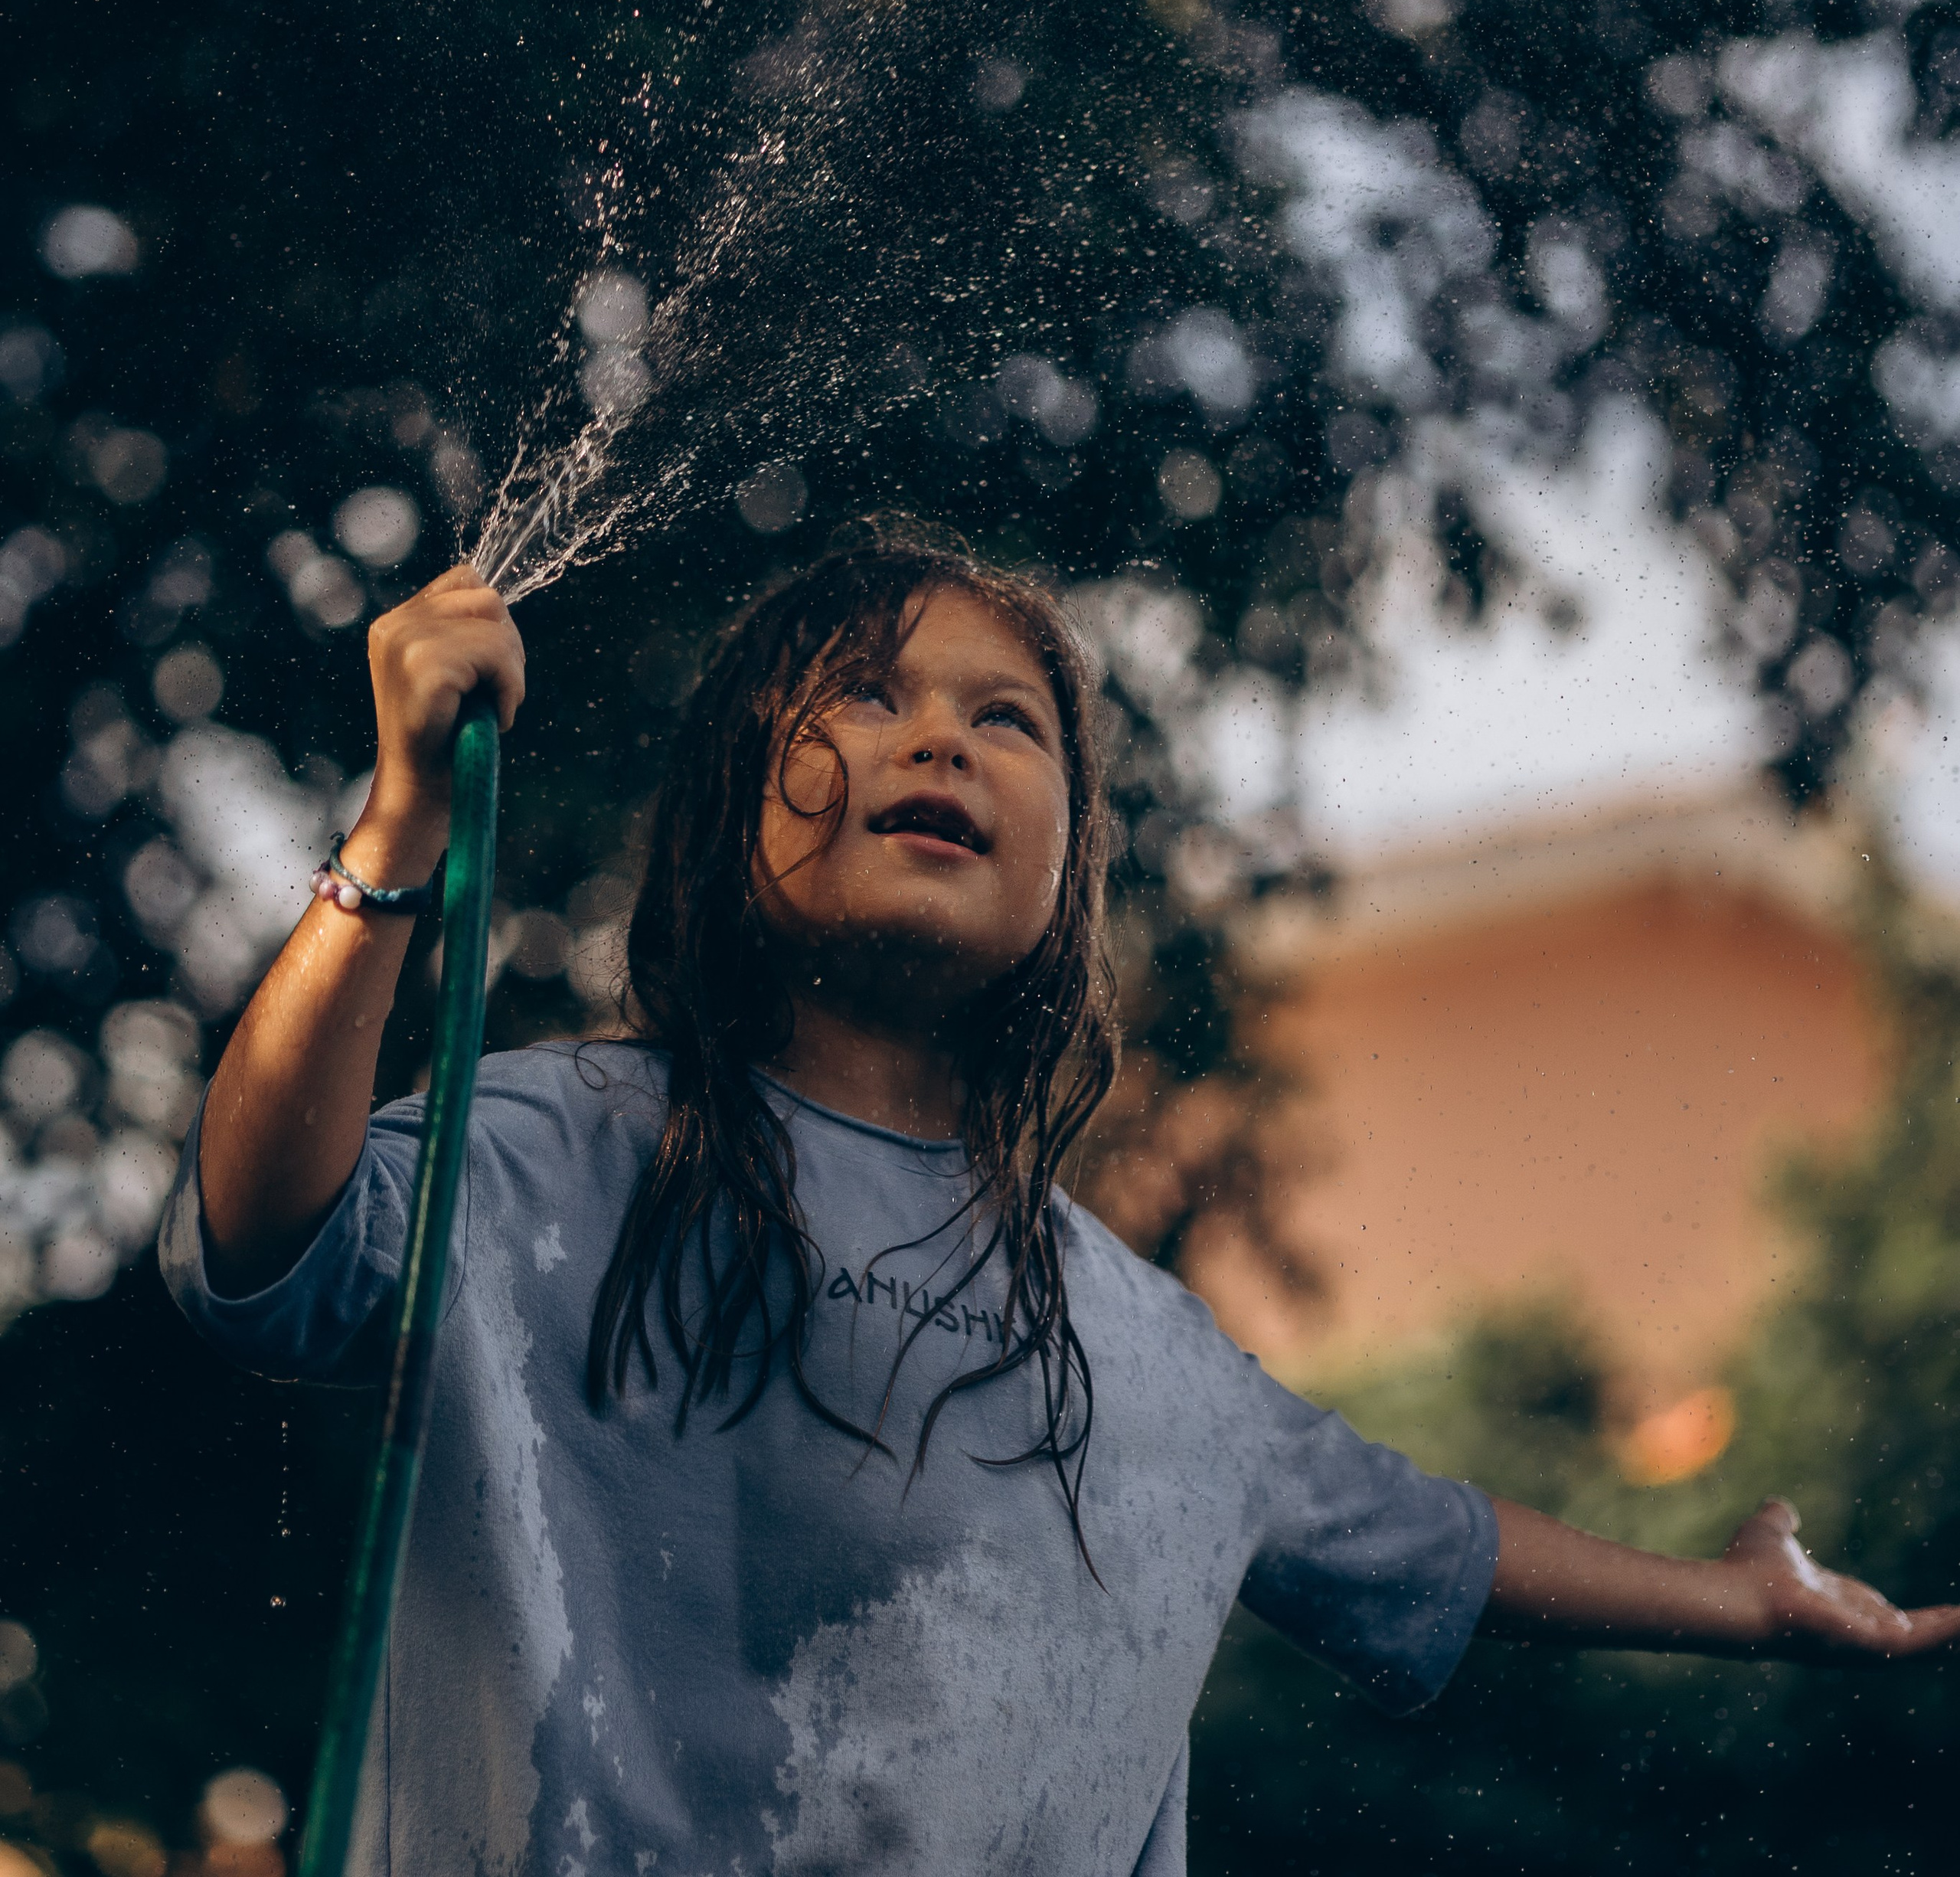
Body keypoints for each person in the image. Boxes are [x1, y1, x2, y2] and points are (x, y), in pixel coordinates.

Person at [162, 522, 1960, 1877]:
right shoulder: (561, 1148)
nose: (938, 736)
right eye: (866, 694)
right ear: (730, 815)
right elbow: (264, 1237)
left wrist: (1736, 1602)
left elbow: (1431, 1539)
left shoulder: (1134, 1337)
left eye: (1002, 718)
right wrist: (396, 838)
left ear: (1065, 880)